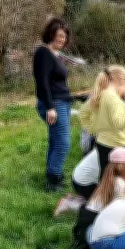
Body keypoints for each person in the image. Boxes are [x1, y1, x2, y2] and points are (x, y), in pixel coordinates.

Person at [78, 66, 125, 177]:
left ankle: (103, 193)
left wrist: (93, 129)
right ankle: (109, 194)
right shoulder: (114, 99)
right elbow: (119, 123)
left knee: (105, 175)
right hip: (116, 144)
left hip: (102, 142)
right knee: (115, 177)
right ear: (121, 82)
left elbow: (83, 113)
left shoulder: (101, 94)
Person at [33, 18, 74, 191]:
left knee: (55, 141)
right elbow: (42, 82)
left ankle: (53, 175)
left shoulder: (54, 54)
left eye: (64, 37)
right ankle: (53, 180)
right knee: (63, 143)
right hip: (54, 103)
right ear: (51, 34)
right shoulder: (44, 53)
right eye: (59, 36)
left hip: (60, 101)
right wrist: (50, 107)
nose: (62, 39)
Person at [72, 148, 125, 249]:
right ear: (124, 167)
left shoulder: (110, 179)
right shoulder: (119, 184)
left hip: (87, 220)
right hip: (92, 227)